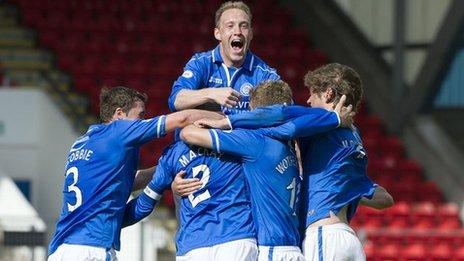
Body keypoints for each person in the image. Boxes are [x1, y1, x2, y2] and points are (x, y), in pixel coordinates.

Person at [203, 64, 394, 260]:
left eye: (313, 94)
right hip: (349, 239)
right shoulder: (355, 137)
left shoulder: (324, 118)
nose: (308, 100)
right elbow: (385, 199)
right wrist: (349, 192)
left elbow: (276, 116)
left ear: (328, 94)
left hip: (325, 236)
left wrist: (227, 122)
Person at [179, 80, 352, 261]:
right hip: (295, 248)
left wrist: (216, 121)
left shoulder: (255, 141)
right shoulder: (293, 146)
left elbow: (188, 134)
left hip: (272, 250)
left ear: (255, 110)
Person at [48, 86, 222, 261]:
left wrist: (167, 169)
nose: (143, 120)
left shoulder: (84, 142)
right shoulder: (118, 132)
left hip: (62, 249)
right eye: (140, 115)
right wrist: (226, 121)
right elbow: (183, 118)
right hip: (92, 250)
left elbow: (120, 185)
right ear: (119, 114)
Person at [168, 1, 280, 115]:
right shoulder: (201, 63)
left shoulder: (264, 73)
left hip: (240, 133)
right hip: (204, 131)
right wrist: (211, 94)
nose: (237, 32)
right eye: (230, 26)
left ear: (250, 34)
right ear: (218, 33)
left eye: (244, 26)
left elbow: (284, 108)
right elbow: (176, 100)